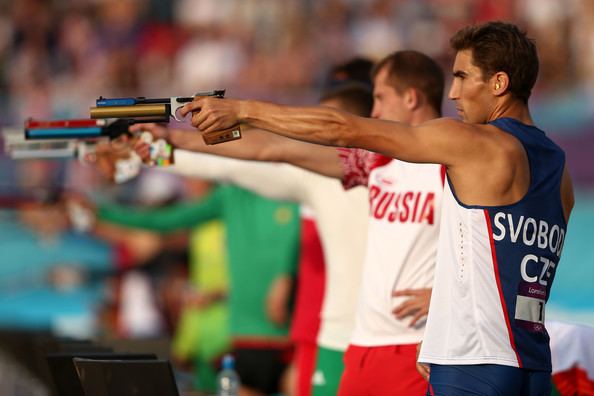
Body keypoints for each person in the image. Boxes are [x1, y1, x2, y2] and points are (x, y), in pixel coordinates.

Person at [180, 21, 575, 395]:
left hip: (473, 361)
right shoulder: (559, 168)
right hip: (531, 362)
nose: (452, 93)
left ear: (499, 83)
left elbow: (344, 129)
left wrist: (245, 110)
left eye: (461, 77)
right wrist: (442, 326)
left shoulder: (474, 144)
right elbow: (512, 267)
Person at [145, 50, 446, 395]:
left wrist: (448, 295)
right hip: (353, 342)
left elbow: (488, 249)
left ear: (411, 97)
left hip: (411, 344)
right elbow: (264, 152)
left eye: (381, 99)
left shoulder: (450, 165)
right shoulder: (370, 163)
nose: (376, 112)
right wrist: (165, 145)